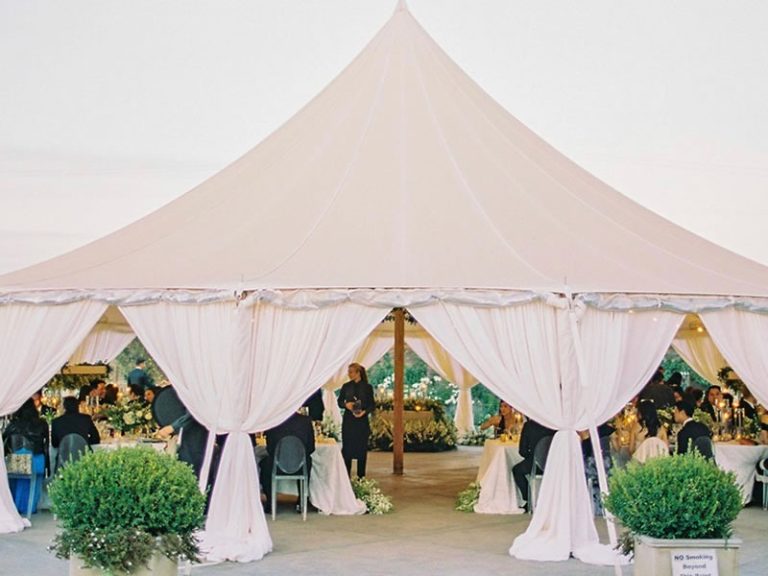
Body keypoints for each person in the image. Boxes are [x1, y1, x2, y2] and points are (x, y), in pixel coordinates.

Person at [259, 410, 316, 514]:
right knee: (308, 460)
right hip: (301, 466)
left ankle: (270, 502)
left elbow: (270, 449)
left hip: (276, 466)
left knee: (264, 463)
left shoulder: (274, 420)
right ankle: (302, 500)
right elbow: (311, 448)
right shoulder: (306, 421)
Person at [2, 399, 48, 514]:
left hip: (16, 463)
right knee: (36, 475)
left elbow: (4, 441)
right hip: (35, 462)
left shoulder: (13, 425)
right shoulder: (42, 424)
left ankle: (15, 506)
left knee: (16, 480)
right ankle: (30, 507)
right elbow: (46, 446)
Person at [337, 362, 375, 478]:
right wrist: (346, 405)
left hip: (361, 422)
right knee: (347, 449)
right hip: (349, 421)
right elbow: (340, 402)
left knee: (361, 450)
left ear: (358, 373)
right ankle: (346, 476)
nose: (349, 374)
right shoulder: (346, 386)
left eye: (351, 372)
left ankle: (361, 477)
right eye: (348, 372)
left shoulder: (367, 387)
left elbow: (372, 405)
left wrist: (364, 412)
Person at [511, 418, 555, 512]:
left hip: (536, 464)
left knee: (517, 470)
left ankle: (529, 499)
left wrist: (532, 457)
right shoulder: (554, 424)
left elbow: (522, 451)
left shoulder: (529, 426)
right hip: (554, 465)